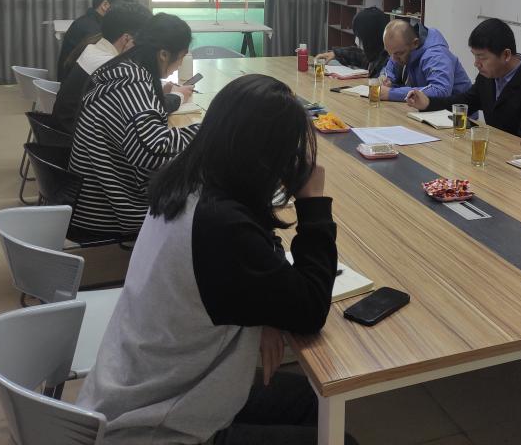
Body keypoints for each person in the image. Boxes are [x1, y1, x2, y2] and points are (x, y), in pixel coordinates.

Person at [77, 74, 358, 445]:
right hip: (157, 428)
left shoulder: (189, 180)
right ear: (266, 158)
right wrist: (314, 204)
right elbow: (310, 309)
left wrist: (267, 314)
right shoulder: (222, 225)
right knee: (341, 438)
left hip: (135, 388)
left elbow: (259, 250)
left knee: (315, 404)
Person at [68, 13, 199, 237]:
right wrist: (204, 131)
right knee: (206, 198)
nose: (178, 65)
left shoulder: (125, 68)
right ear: (164, 54)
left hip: (94, 198)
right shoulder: (133, 81)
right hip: (109, 213)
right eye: (181, 57)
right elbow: (151, 152)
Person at [404, 18, 521, 141]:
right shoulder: (488, 76)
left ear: (506, 55)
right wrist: (428, 103)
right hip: (492, 154)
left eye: (482, 57)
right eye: (474, 56)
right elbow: (464, 102)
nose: (476, 64)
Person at [52, 3, 193, 134]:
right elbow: (145, 112)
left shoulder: (95, 48)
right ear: (126, 39)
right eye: (142, 41)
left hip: (68, 132)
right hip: (70, 141)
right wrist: (178, 96)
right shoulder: (112, 67)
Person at [57, 0, 135, 80]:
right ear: (105, 5)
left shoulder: (86, 21)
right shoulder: (93, 30)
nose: (126, 15)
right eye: (123, 8)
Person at [379, 19, 471, 102]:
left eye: (399, 53)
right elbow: (391, 65)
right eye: (390, 53)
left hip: (457, 112)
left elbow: (440, 91)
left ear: (415, 43)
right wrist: (386, 78)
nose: (394, 59)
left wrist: (391, 93)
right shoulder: (402, 48)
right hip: (431, 109)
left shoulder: (435, 55)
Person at [316, 6, 389, 78]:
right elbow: (358, 55)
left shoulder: (387, 63)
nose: (356, 40)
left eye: (360, 37)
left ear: (369, 38)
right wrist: (335, 53)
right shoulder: (375, 53)